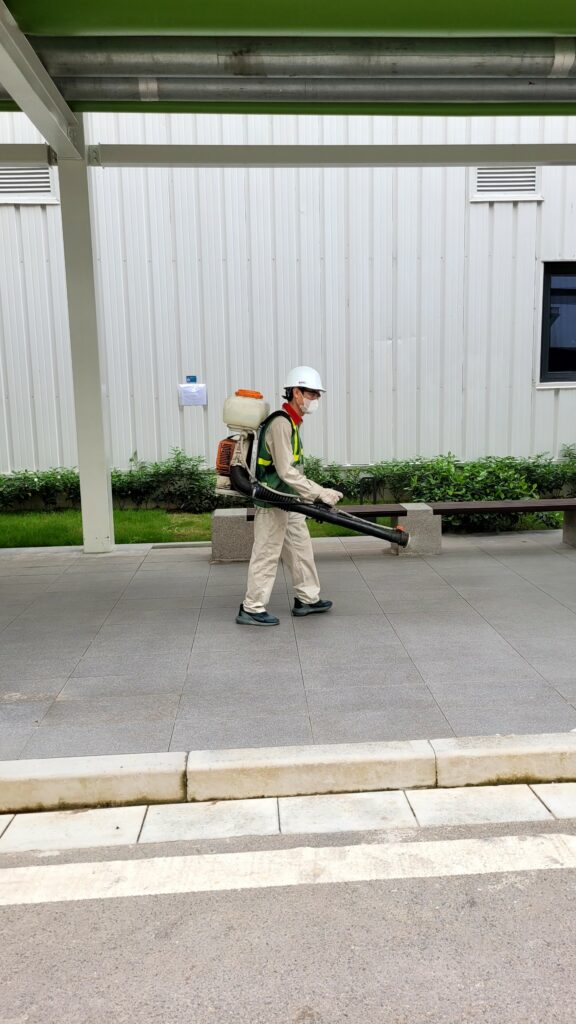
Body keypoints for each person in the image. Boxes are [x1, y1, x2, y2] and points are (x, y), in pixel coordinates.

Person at [236, 366, 343, 626]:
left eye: (317, 394)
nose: (316, 399)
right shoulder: (281, 423)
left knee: (300, 548)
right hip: (273, 499)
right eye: (312, 393)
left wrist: (307, 496)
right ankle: (251, 607)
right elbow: (285, 471)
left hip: (289, 500)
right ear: (296, 392)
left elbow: (292, 471)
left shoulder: (292, 423)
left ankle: (307, 598)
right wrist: (319, 493)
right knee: (267, 552)